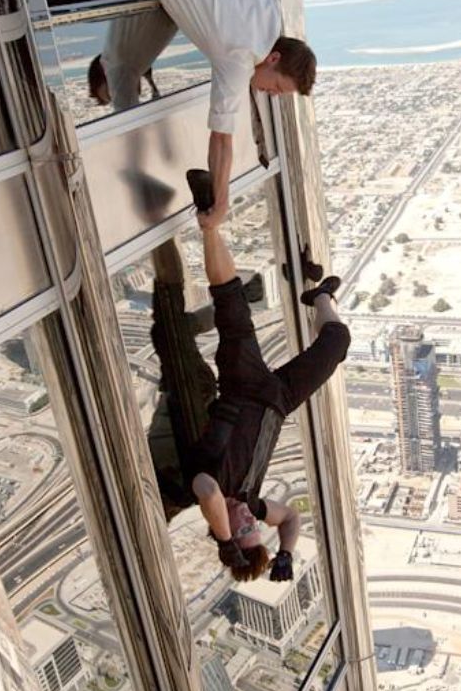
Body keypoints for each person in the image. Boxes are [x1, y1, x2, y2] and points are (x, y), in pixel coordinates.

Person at [145, 170, 346, 582]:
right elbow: (289, 518)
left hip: (243, 387)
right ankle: (321, 296)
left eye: (244, 530)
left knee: (231, 304)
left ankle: (209, 226)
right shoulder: (251, 504)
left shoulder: (207, 485)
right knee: (337, 344)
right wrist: (284, 553)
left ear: (226, 531)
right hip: (280, 399)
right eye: (255, 529)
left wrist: (226, 541)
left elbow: (209, 496)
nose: (251, 522)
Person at [41, 0, 316, 220]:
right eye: (278, 87)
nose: (273, 94)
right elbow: (222, 141)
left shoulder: (270, 6)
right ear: (274, 58)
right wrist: (221, 205)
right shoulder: (240, 60)